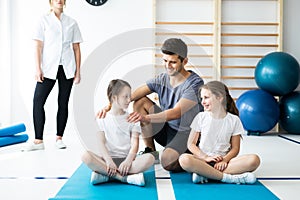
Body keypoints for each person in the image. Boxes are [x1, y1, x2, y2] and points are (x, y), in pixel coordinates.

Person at [98, 38, 204, 172]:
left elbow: (176, 113)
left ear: (185, 61)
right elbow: (134, 95)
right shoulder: (162, 78)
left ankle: (194, 159)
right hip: (167, 130)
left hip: (186, 134)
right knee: (140, 102)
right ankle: (151, 151)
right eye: (165, 61)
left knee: (167, 162)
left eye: (173, 62)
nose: (168, 66)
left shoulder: (195, 83)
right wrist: (111, 105)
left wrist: (146, 119)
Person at [22, 0, 83, 151]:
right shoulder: (43, 20)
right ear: (50, 1)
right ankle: (38, 141)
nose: (59, 0)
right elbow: (38, 46)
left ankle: (59, 138)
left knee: (63, 103)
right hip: (48, 68)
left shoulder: (72, 22)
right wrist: (38, 68)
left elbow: (76, 48)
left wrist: (78, 71)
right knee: (38, 101)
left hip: (67, 68)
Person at [179, 81, 260, 184]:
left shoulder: (234, 120)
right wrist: (206, 157)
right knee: (184, 159)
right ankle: (229, 178)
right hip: (202, 161)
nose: (202, 102)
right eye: (202, 98)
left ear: (219, 98)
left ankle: (205, 174)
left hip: (224, 163)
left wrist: (225, 160)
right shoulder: (201, 117)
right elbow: (191, 144)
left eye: (206, 97)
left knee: (254, 160)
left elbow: (235, 148)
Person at [82, 79, 155, 186]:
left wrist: (128, 161)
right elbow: (100, 143)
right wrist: (108, 161)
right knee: (86, 156)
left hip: (127, 163)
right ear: (114, 97)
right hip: (106, 160)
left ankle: (106, 176)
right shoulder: (102, 118)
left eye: (129, 96)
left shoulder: (132, 118)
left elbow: (135, 144)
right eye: (125, 96)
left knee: (150, 158)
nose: (129, 100)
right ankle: (123, 178)